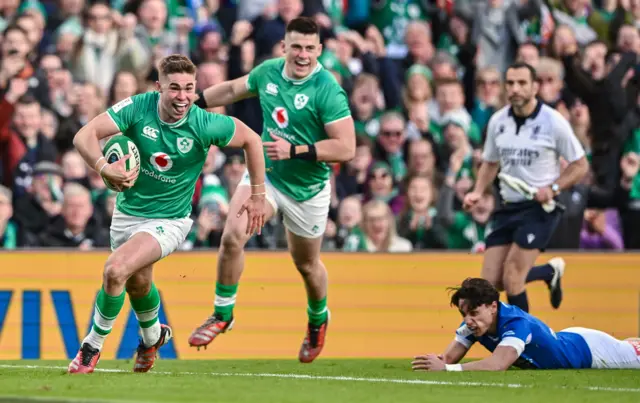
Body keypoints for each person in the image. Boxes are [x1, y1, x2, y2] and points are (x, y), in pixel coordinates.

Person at [68, 54, 268, 374]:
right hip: (127, 214)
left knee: (115, 270)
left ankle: (90, 348)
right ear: (159, 87)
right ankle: (152, 338)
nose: (183, 97)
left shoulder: (203, 123)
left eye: (189, 88)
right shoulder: (138, 107)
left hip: (169, 221)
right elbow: (84, 136)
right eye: (174, 88)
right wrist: (104, 168)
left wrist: (258, 195)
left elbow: (253, 141)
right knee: (138, 284)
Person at [188, 16, 356, 363]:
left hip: (306, 189)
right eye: (296, 46)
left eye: (310, 48)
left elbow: (346, 148)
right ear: (284, 47)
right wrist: (195, 103)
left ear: (320, 50)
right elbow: (234, 89)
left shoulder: (327, 89)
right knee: (232, 235)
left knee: (306, 264)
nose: (303, 54)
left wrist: (295, 151)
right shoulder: (268, 72)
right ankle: (223, 314)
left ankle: (317, 318)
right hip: (265, 176)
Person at [463, 62, 588, 313]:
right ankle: (548, 271)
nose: (515, 89)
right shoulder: (498, 121)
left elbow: (580, 165)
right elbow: (490, 162)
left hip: (539, 207)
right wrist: (477, 190)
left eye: (522, 83)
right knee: (490, 284)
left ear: (534, 87)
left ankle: (524, 345)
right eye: (510, 83)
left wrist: (552, 188)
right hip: (508, 206)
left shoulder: (553, 122)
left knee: (512, 278)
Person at [411, 277, 640, 371]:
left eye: (473, 312)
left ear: (493, 306)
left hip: (589, 351)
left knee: (632, 356)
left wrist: (449, 369)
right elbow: (448, 358)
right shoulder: (475, 324)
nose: (468, 320)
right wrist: (439, 362)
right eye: (463, 314)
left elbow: (498, 364)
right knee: (626, 347)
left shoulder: (516, 323)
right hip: (569, 338)